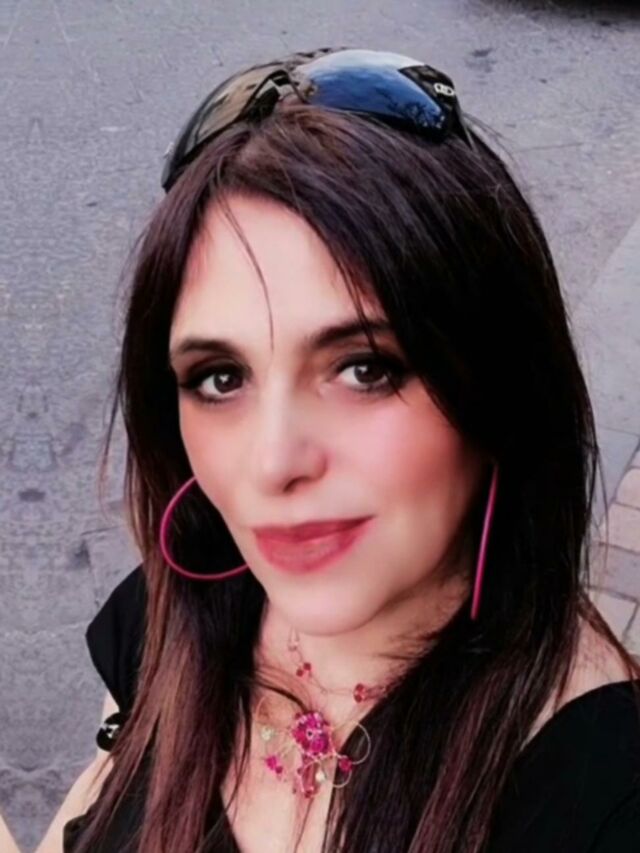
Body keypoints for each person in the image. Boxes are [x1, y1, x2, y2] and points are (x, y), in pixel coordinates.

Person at [37, 47, 640, 853]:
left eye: (364, 368)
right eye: (220, 378)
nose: (271, 462)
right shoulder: (173, 620)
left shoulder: (601, 797)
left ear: (500, 383)